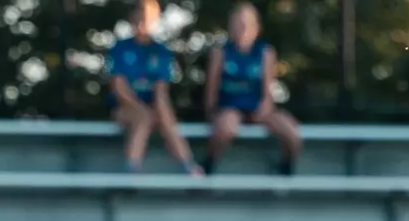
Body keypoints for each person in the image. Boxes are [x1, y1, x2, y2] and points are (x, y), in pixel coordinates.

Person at [202, 3, 301, 175]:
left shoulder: (265, 52)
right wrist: (211, 113)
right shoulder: (221, 52)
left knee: (291, 131)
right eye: (237, 25)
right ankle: (208, 165)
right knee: (226, 128)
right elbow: (211, 90)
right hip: (230, 108)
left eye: (246, 25)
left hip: (257, 109)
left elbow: (268, 92)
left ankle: (286, 168)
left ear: (256, 28)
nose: (242, 30)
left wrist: (265, 108)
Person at [107, 0, 203, 177]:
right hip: (124, 108)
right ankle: (131, 169)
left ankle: (187, 164)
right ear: (132, 18)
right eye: (141, 17)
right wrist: (139, 107)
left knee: (164, 114)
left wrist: (160, 111)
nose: (144, 22)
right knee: (143, 117)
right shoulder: (120, 48)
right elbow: (118, 87)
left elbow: (161, 91)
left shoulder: (160, 51)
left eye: (149, 18)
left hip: (152, 107)